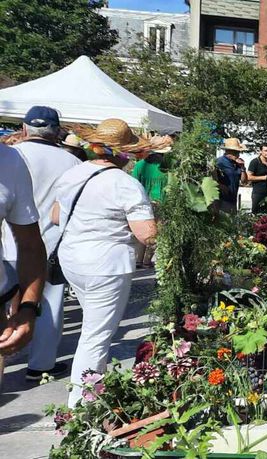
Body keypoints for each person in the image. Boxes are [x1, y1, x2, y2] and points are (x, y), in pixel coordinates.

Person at [53, 119, 156, 406]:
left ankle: (94, 388)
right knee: (96, 336)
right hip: (106, 264)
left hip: (73, 258)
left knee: (93, 327)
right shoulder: (125, 184)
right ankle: (81, 404)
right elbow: (146, 234)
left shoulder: (73, 174)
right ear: (124, 153)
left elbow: (54, 216)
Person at [1, 106, 81, 381]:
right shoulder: (71, 162)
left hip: (7, 244)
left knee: (8, 305)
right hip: (46, 243)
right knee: (47, 305)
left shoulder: (14, 155)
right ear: (57, 131)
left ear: (24, 129)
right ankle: (41, 364)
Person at [131, 142, 170, 269]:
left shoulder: (139, 165)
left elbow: (133, 185)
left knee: (143, 231)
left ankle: (138, 260)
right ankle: (147, 261)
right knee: (155, 233)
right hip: (161, 203)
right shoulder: (166, 167)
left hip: (143, 203)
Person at [215, 138, 248, 213]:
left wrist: (243, 168)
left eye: (238, 152)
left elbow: (244, 181)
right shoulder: (219, 163)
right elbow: (211, 179)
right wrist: (220, 186)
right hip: (222, 200)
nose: (238, 154)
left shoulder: (237, 164)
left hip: (233, 200)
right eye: (236, 152)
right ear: (228, 151)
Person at [247, 143, 267, 213]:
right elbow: (249, 177)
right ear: (260, 151)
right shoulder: (255, 162)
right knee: (256, 214)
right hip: (258, 193)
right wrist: (264, 177)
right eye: (265, 151)